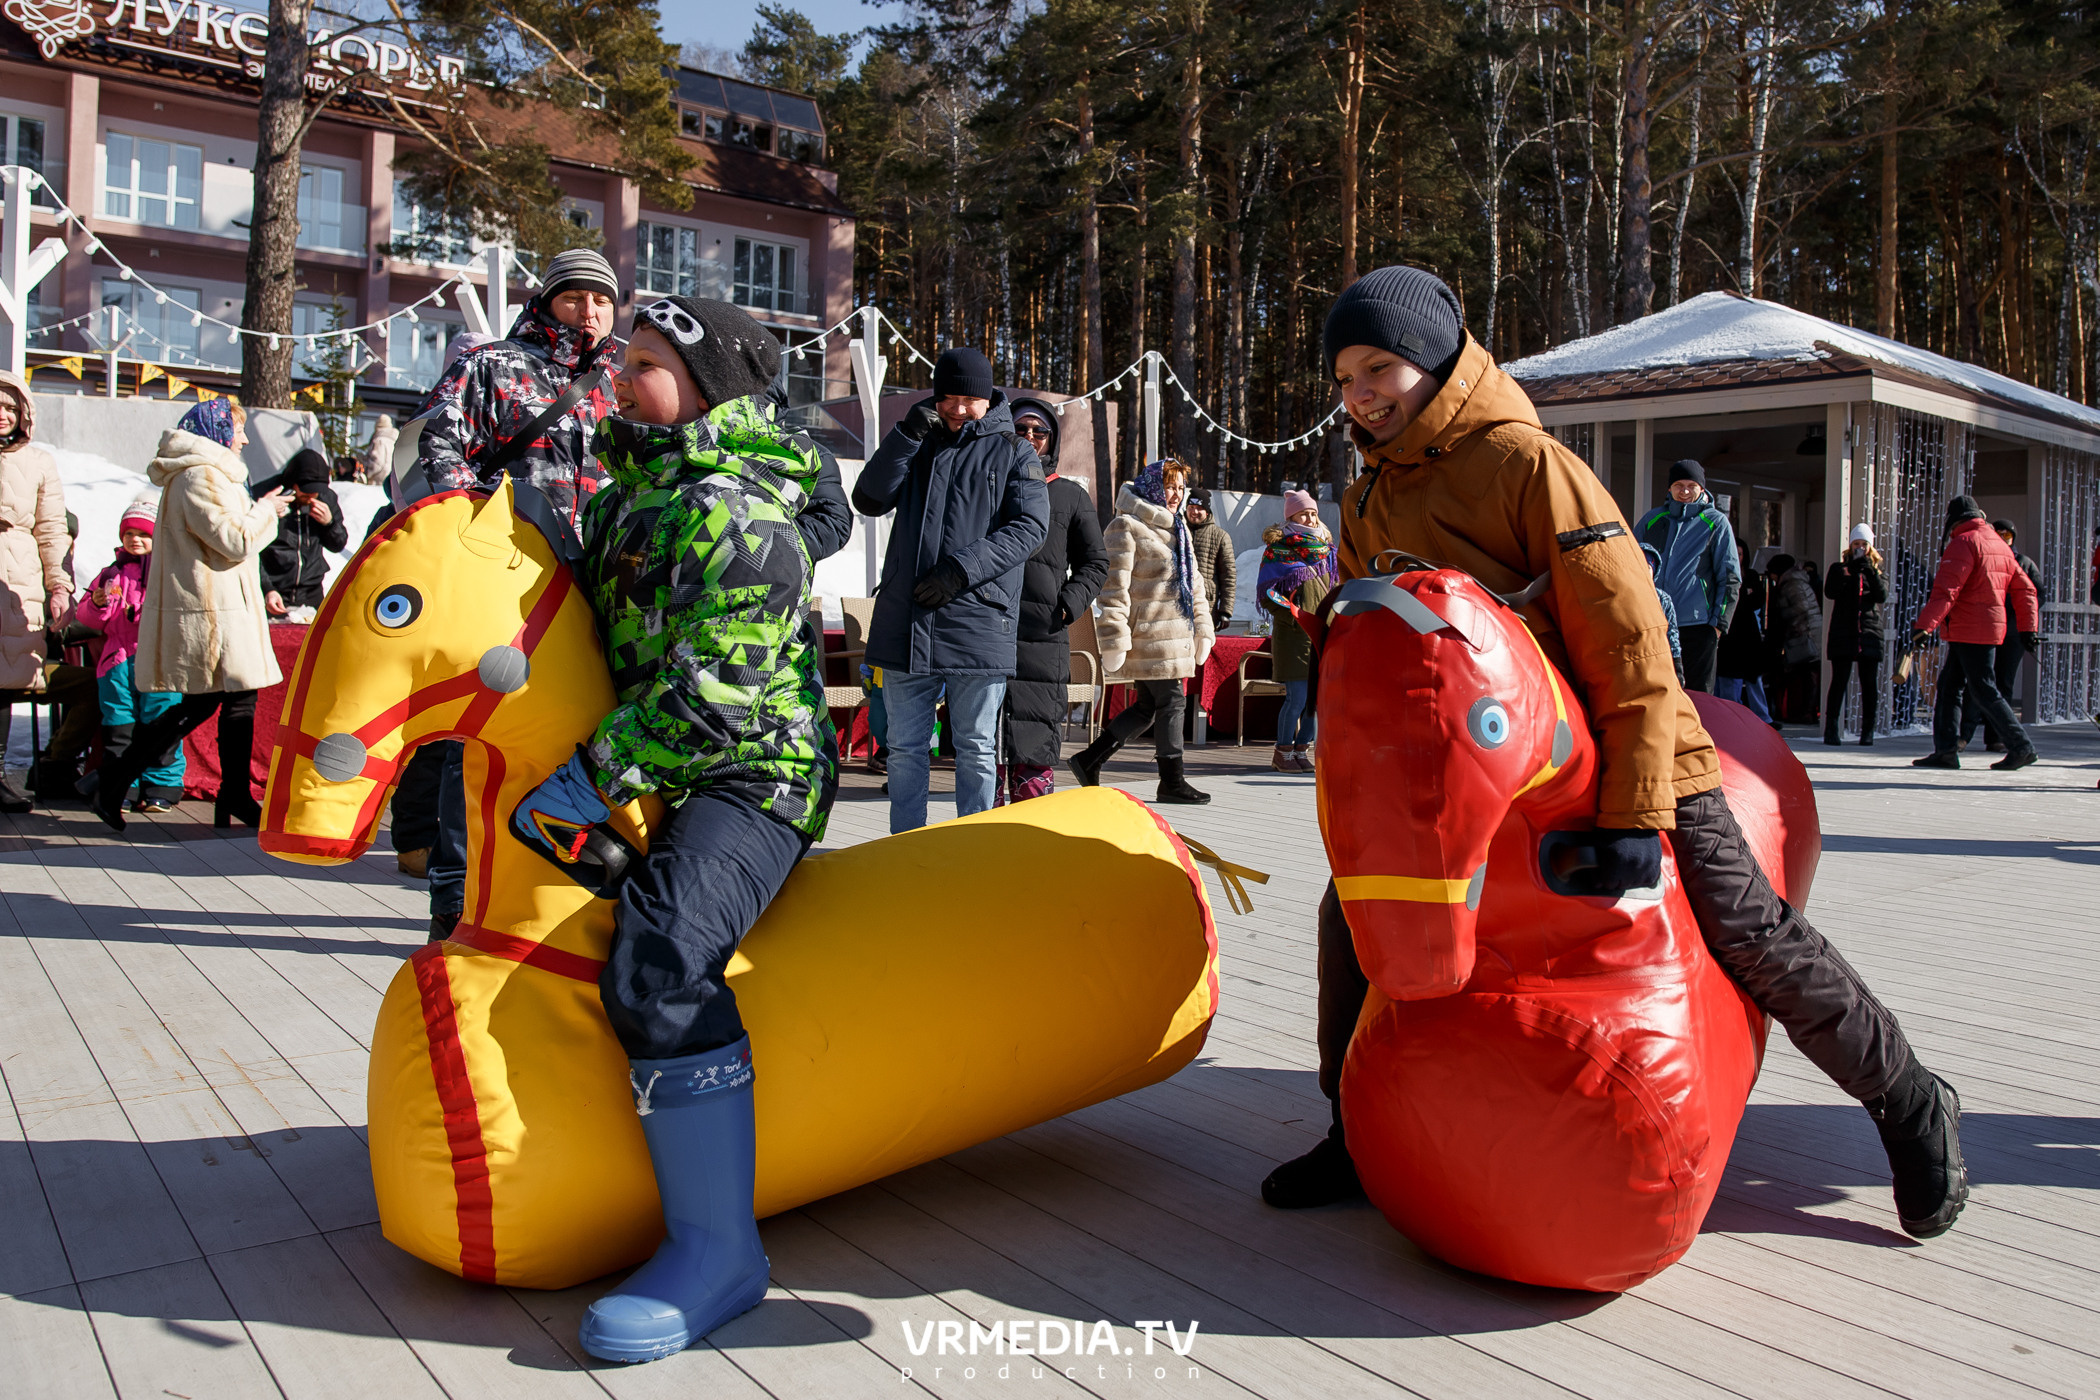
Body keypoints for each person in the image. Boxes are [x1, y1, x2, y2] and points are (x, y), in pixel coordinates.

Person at [1262, 265, 1968, 1246]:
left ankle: (1908, 1097)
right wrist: (1310, 606)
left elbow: (1630, 639)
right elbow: (1387, 657)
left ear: (1434, 360)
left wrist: (1638, 810)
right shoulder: (1366, 492)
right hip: (1477, 777)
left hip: (1617, 743)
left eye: (1380, 366)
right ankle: (1349, 1128)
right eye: (1344, 377)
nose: (1361, 393)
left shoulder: (1526, 464)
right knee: (1351, 915)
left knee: (1746, 922)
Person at [506, 296, 836, 1363]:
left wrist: (587, 778)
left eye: (646, 362)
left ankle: (717, 1247)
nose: (620, 375)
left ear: (710, 392)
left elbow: (716, 693)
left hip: (750, 771)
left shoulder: (739, 511)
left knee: (660, 960)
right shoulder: (628, 498)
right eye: (626, 357)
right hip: (655, 759)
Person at [412, 248, 624, 939]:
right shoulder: (494, 365)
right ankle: (456, 890)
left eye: (602, 299)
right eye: (575, 297)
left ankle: (560, 888)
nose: (589, 311)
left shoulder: (624, 377)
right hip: (514, 586)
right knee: (478, 732)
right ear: (547, 300)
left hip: (601, 583)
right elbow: (441, 450)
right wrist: (488, 535)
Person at [851, 347, 1049, 833]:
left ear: (988, 399)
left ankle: (973, 851)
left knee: (977, 747)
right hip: (907, 619)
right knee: (904, 748)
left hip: (977, 622)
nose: (958, 409)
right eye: (948, 397)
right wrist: (904, 435)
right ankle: (905, 847)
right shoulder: (918, 442)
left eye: (969, 399)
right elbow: (868, 498)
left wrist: (960, 572)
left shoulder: (1014, 451)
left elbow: (1029, 527)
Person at [91, 398, 292, 832]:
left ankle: (230, 794)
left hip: (222, 610)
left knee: (234, 699)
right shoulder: (201, 476)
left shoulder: (207, 475)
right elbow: (234, 540)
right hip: (214, 614)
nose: (244, 438)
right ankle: (114, 781)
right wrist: (266, 512)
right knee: (207, 704)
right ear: (216, 433)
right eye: (237, 430)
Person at [1067, 458, 1216, 804]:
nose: (1177, 494)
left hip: (1176, 637)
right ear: (1152, 487)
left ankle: (1088, 759)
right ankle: (1171, 781)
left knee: (1148, 707)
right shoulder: (1126, 526)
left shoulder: (1178, 529)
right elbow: (1113, 589)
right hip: (1149, 637)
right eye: (1170, 486)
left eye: (1181, 487)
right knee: (1173, 701)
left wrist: (1203, 628)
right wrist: (1114, 637)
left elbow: (1194, 586)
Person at [999, 398, 1107, 804]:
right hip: (987, 630)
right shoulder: (988, 483)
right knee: (983, 744)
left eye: (1038, 431)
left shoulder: (1070, 496)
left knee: (1036, 738)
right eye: (1021, 429)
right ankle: (983, 839)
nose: (1029, 437)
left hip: (1043, 635)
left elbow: (1095, 562)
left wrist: (1067, 604)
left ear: (1051, 440)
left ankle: (1031, 838)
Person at [1909, 495, 2039, 771]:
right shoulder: (1998, 544)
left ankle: (2021, 746)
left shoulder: (1963, 543)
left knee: (1982, 689)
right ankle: (1945, 750)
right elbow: (2026, 589)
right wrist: (2028, 628)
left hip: (1969, 628)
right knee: (1949, 687)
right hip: (1985, 628)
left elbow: (1946, 591)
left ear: (1954, 520)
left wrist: (1924, 626)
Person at [74, 492, 186, 811]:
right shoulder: (112, 573)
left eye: (143, 534)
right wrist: (97, 604)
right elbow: (89, 616)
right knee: (119, 723)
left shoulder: (169, 572)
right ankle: (123, 784)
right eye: (129, 534)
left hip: (160, 659)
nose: (135, 540)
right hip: (116, 662)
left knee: (161, 721)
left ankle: (162, 785)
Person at [0, 369, 72, 813]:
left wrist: (59, 585)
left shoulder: (40, 461)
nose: (2, 415)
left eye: (10, 407)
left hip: (18, 569)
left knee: (6, 679)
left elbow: (51, 529)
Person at [1634, 459, 1739, 693]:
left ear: (1702, 489)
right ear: (1669, 488)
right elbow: (1630, 565)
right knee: (1658, 691)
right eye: (1678, 485)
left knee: (1697, 697)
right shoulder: (1652, 520)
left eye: (1691, 485)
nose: (1684, 491)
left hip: (1698, 626)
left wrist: (1718, 625)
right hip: (1655, 622)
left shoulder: (1715, 522)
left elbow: (1730, 576)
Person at [1258, 489, 1336, 772]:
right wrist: (1292, 615)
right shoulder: (1278, 550)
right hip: (1293, 635)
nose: (1310, 518)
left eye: (1313, 512)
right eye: (1304, 513)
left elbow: (1331, 589)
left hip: (1319, 634)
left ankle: (1303, 749)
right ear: (1290, 515)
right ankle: (1283, 751)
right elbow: (1267, 593)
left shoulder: (1325, 551)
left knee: (1315, 702)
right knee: (1297, 698)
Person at [1959, 520, 2043, 753]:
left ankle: (1996, 736)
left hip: (2012, 633)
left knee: (2003, 683)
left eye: (2008, 534)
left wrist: (2024, 624)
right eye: (1999, 533)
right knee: (1978, 682)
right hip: (1987, 628)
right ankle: (1964, 735)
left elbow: (2036, 595)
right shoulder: (1984, 558)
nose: (2004, 537)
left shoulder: (2023, 563)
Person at [253, 447, 348, 615]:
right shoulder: (268, 496)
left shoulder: (326, 498)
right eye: (306, 491)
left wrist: (329, 524)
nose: (311, 496)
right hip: (273, 592)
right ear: (293, 483)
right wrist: (266, 587)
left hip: (311, 593)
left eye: (315, 491)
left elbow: (338, 545)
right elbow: (253, 550)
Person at [1824, 525, 1888, 746]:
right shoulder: (1839, 568)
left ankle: (1867, 731)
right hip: (1844, 631)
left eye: (1864, 544)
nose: (1860, 548)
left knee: (1869, 683)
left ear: (1870, 547)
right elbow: (1830, 592)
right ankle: (1831, 729)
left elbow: (1881, 596)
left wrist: (1870, 571)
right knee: (1839, 680)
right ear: (1850, 546)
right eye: (1856, 544)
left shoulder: (1877, 571)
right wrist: (1849, 571)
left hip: (1869, 632)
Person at [1714, 541, 1774, 724]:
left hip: (1749, 636)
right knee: (1729, 680)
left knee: (1754, 678)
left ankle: (1763, 718)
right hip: (1729, 636)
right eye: (1736, 553)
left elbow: (1755, 601)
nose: (1738, 557)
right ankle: (1730, 718)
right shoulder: (1722, 574)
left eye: (1741, 554)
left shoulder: (1752, 575)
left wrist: (1742, 598)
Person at [1765, 554, 1822, 725]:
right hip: (1809, 634)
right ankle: (1806, 711)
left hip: (1806, 636)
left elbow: (1801, 608)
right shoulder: (1797, 581)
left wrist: (1784, 616)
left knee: (1808, 675)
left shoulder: (1791, 584)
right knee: (1809, 676)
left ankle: (1807, 712)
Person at [1187, 487, 1237, 635]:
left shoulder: (1220, 536)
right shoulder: (1178, 530)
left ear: (1207, 511)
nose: (1194, 512)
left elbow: (1229, 576)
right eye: (1191, 507)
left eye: (1199, 508)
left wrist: (1225, 611)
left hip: (1207, 606)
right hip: (1177, 603)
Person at [1641, 542, 1684, 684]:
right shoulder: (1624, 596)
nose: (1643, 572)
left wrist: (1677, 664)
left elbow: (1672, 633)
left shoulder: (1662, 599)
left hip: (1659, 659)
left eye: (1647, 567)